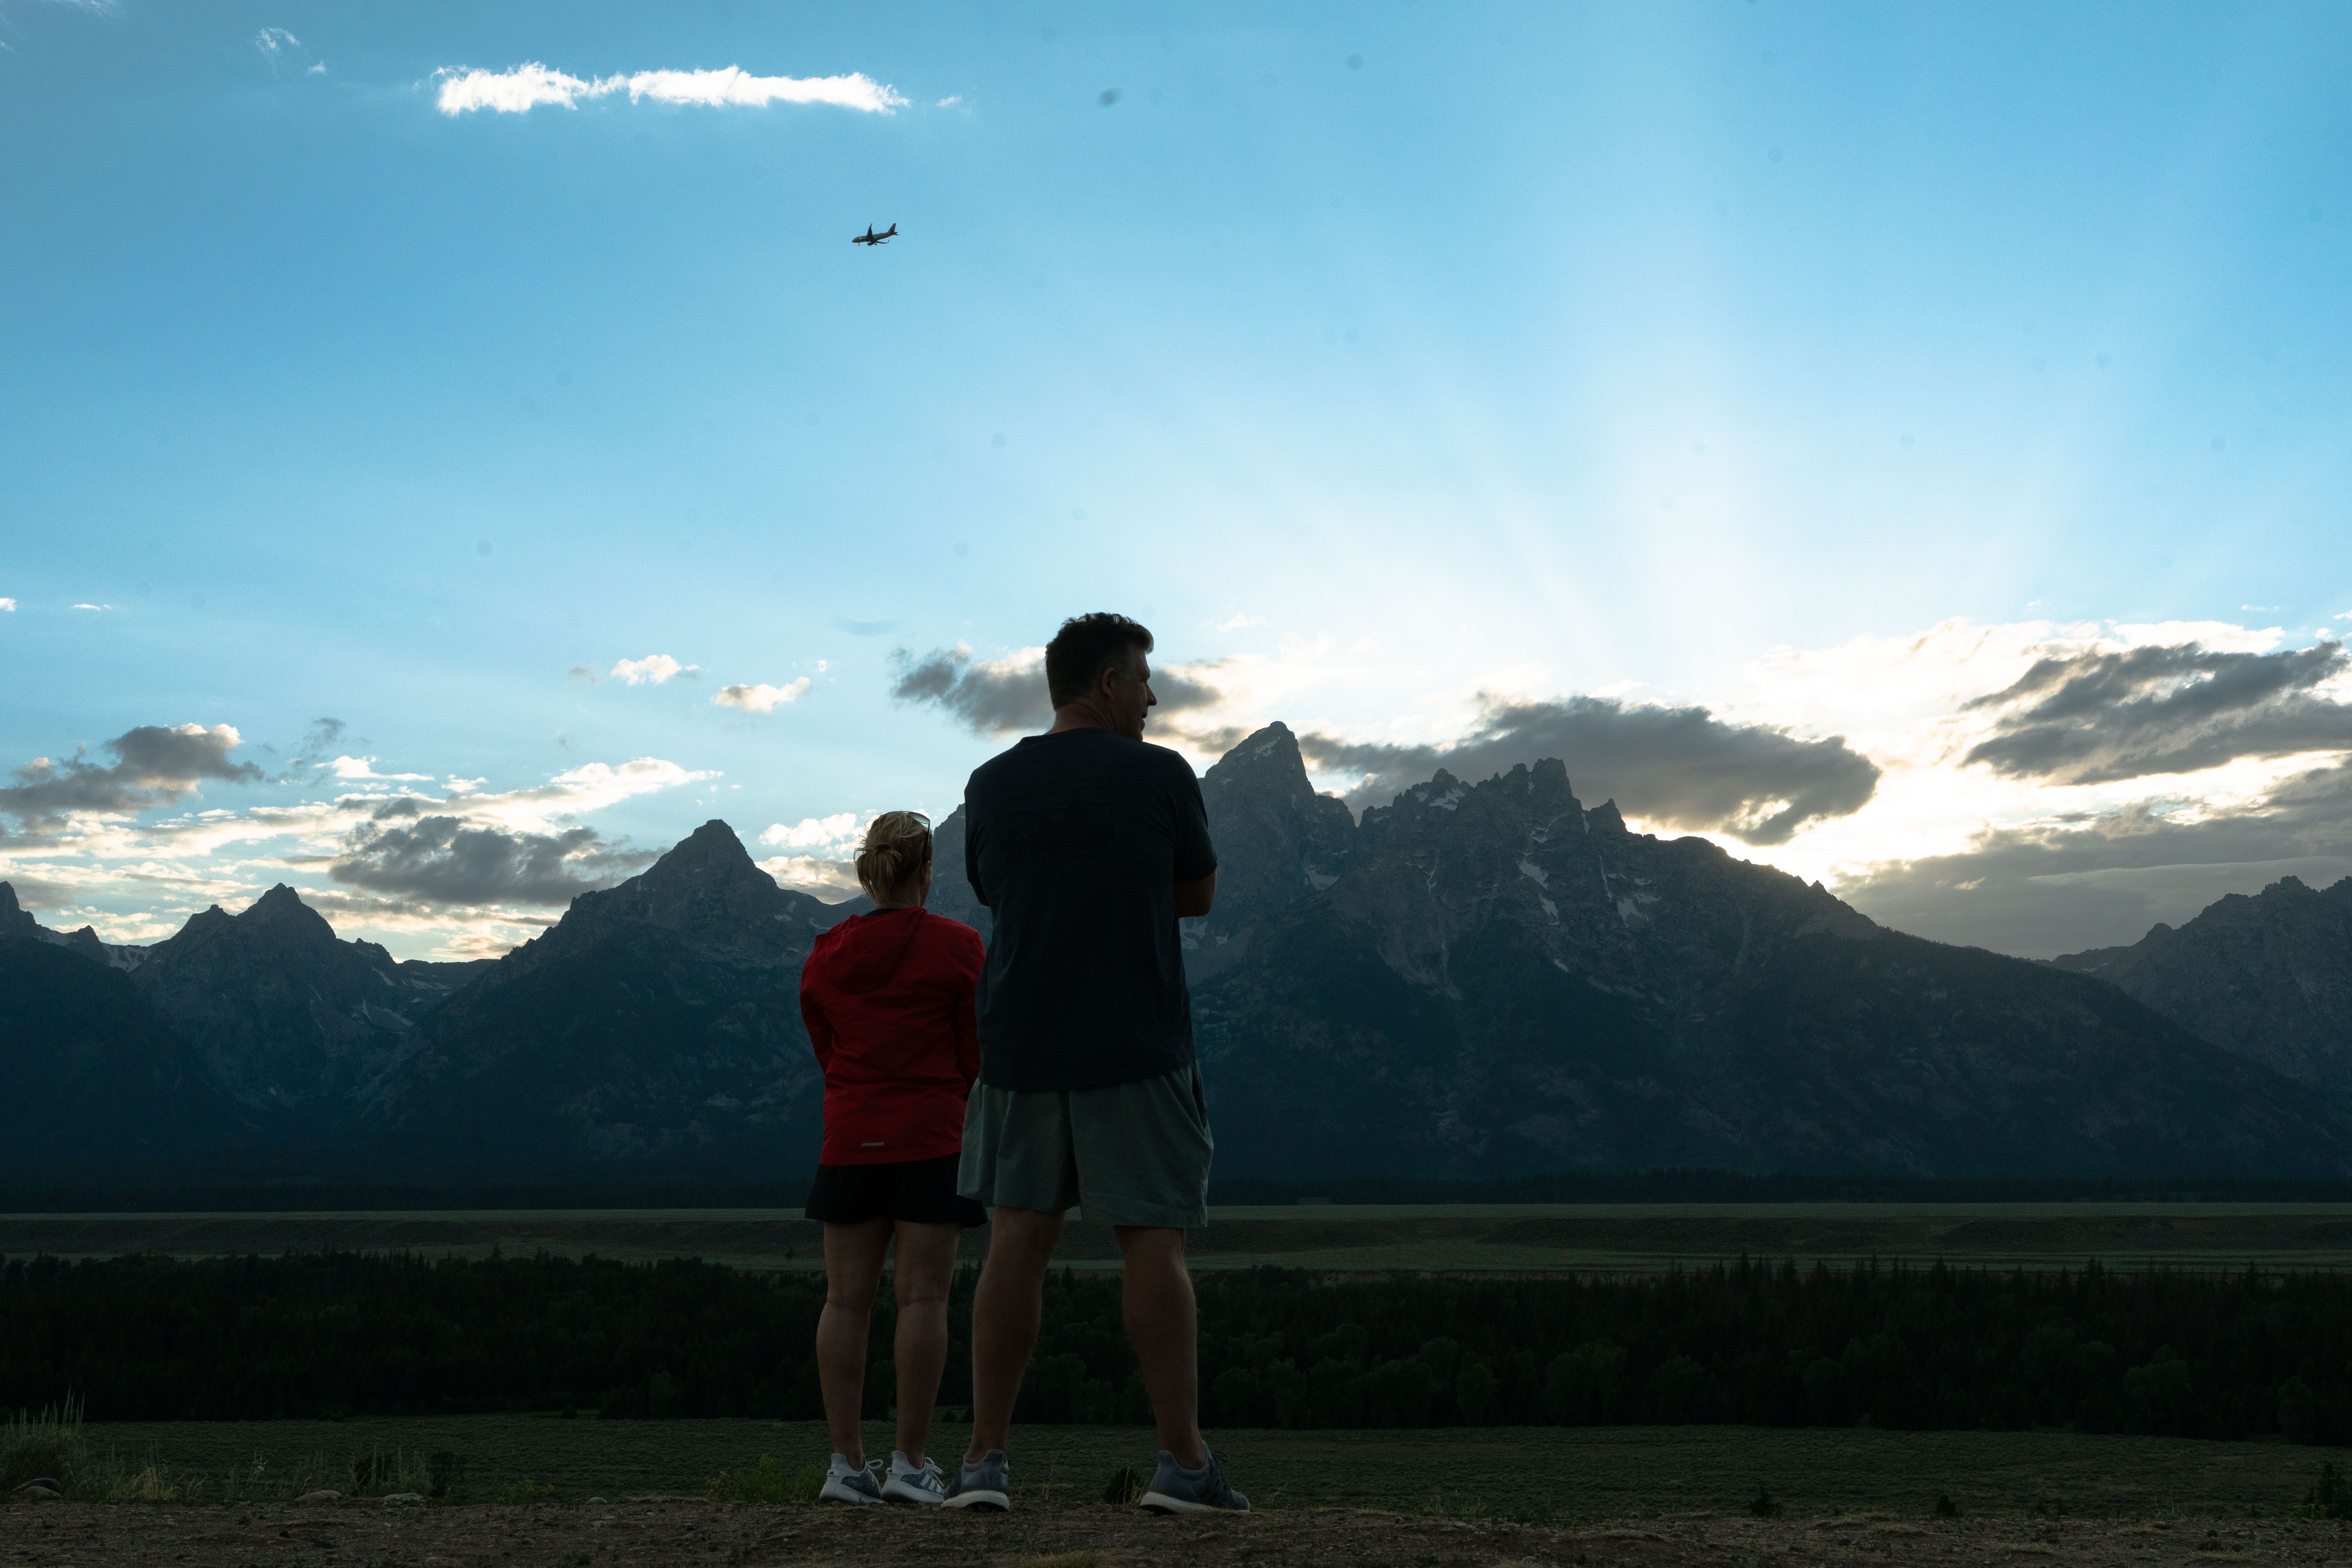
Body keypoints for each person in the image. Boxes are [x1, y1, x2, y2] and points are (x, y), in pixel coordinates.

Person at [945, 612, 1246, 1515]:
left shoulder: (991, 784)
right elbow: (1196, 894)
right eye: (1145, 680)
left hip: (1020, 1045)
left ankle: (983, 1465)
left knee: (1016, 1246)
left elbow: (999, 892)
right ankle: (1182, 1465)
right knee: (1153, 1242)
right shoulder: (1159, 775)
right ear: (1109, 683)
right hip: (1136, 1042)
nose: (1154, 698)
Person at [798, 810, 986, 1507]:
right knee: (924, 1297)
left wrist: (854, 1088)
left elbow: (823, 1037)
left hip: (850, 1136)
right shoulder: (958, 946)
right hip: (933, 1137)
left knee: (844, 1299)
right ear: (927, 871)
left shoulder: (828, 951)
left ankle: (846, 1465)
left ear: (867, 870)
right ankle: (909, 1462)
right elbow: (976, 1045)